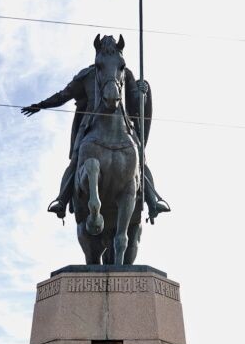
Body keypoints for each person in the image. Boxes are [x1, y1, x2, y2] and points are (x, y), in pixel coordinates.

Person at [21, 35, 171, 223]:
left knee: (140, 158)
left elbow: (135, 102)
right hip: (89, 127)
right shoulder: (87, 75)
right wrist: (41, 105)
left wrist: (143, 92)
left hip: (124, 127)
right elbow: (63, 95)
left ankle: (152, 200)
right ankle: (62, 199)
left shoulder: (125, 73)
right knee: (76, 160)